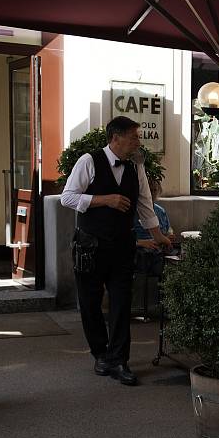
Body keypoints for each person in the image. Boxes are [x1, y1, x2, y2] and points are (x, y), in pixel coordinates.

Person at [61, 116, 171, 386]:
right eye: (134, 137)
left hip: (123, 246)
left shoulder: (136, 167)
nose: (138, 142)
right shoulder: (89, 161)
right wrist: (103, 200)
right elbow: (68, 197)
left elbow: (145, 205)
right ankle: (101, 354)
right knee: (90, 303)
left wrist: (160, 237)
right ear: (116, 138)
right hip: (91, 246)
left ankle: (120, 360)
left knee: (122, 304)